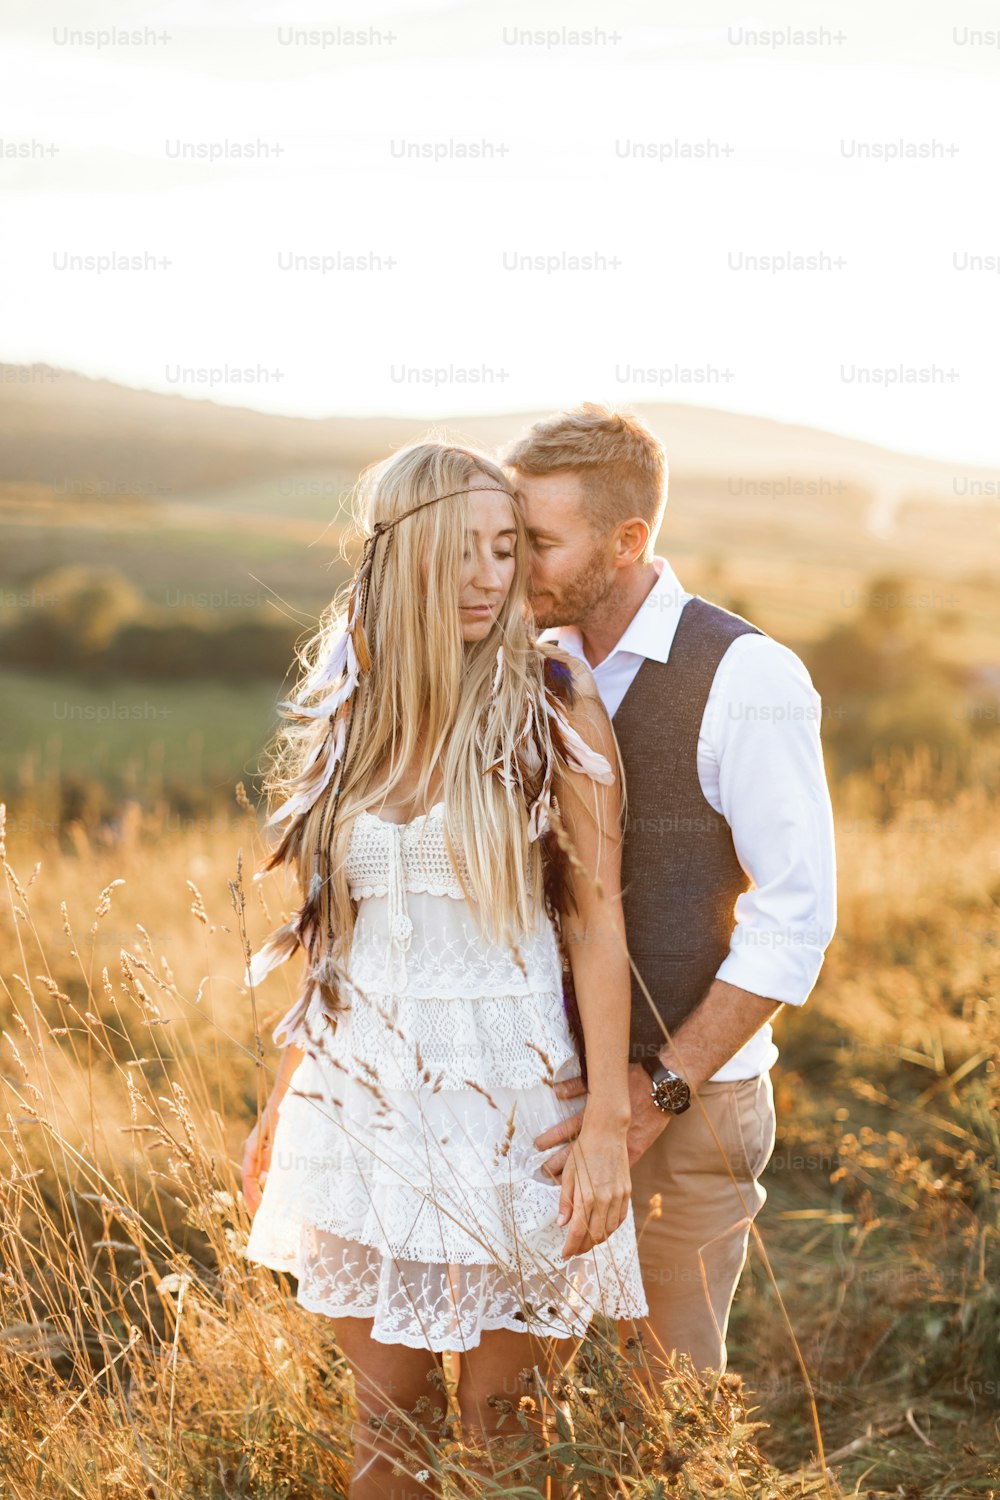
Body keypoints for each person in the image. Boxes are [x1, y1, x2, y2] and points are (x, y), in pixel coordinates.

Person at [239, 439, 648, 1498]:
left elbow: (598, 924)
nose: (489, 575)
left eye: (508, 548)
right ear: (402, 555)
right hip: (362, 1105)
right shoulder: (353, 708)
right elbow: (335, 934)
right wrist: (284, 1099)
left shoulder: (551, 695)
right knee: (386, 1437)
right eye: (463, 550)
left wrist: (606, 1117)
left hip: (508, 1104)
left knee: (503, 1438)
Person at [504, 403, 837, 1382]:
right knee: (530, 1404)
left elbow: (793, 921)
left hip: (688, 1107)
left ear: (628, 540)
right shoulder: (519, 663)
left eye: (538, 542)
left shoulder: (746, 676)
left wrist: (652, 1096)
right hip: (539, 1102)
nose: (510, 563)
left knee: (667, 1397)